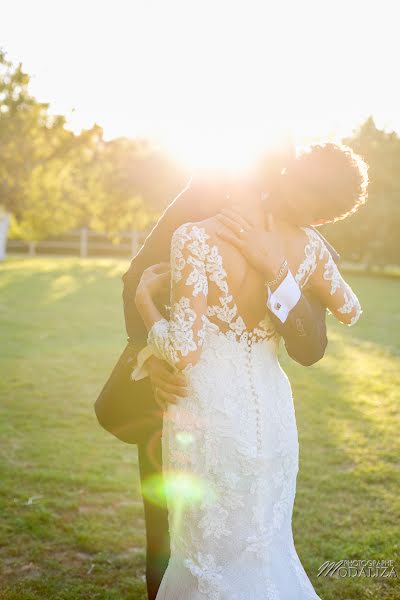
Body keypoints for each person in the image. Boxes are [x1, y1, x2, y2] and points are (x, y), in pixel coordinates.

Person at [131, 142, 368, 599]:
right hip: (267, 408)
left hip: (211, 408)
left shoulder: (198, 236)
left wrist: (147, 299)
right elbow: (351, 308)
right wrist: (289, 272)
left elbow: (186, 347)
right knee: (260, 542)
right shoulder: (311, 246)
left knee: (209, 547)